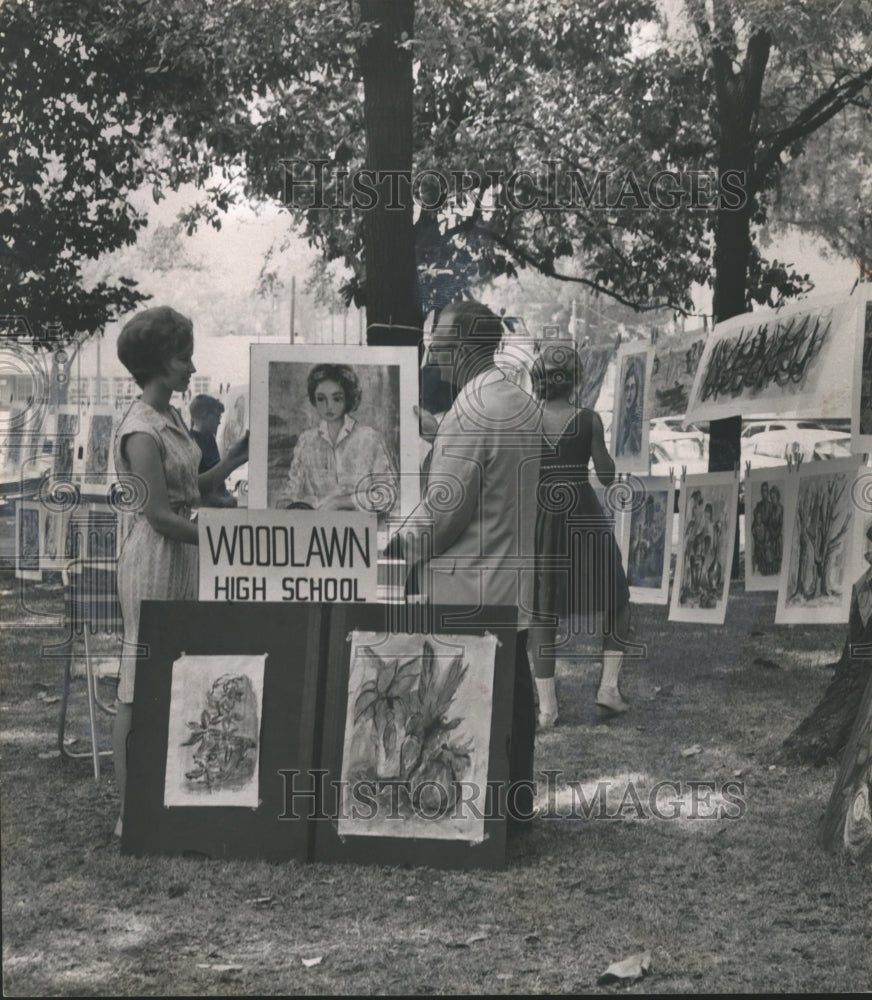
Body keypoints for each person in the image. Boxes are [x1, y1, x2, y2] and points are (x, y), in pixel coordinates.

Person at [389, 300, 542, 824]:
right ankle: (513, 813)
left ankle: (476, 816)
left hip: (466, 590)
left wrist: (388, 547)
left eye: (439, 344)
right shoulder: (517, 401)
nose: (432, 357)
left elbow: (444, 517)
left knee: (468, 712)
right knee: (514, 705)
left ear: (463, 348)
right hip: (508, 583)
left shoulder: (470, 412)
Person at [111, 306, 249, 836]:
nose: (191, 366)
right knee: (136, 680)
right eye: (181, 356)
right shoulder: (140, 430)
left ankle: (170, 794)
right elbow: (160, 516)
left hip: (188, 556)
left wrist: (232, 461)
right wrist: (225, 536)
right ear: (156, 362)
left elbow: (191, 489)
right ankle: (130, 811)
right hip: (155, 558)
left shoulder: (169, 417)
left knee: (176, 673)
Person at [527, 342, 633, 724]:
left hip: (541, 516)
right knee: (616, 596)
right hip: (584, 515)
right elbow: (606, 475)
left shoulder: (525, 418)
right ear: (574, 381)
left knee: (542, 612)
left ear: (538, 380)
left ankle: (547, 709)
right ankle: (607, 688)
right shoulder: (589, 419)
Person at [280, 364, 397, 512]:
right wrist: (286, 504)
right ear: (314, 400)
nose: (329, 406)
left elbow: (387, 495)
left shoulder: (368, 438)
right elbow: (292, 491)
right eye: (321, 399)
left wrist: (343, 502)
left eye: (337, 399)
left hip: (361, 528)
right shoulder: (306, 441)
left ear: (348, 398)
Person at [189, 394, 237, 507]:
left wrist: (226, 496)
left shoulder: (210, 438)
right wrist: (223, 502)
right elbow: (195, 488)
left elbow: (218, 481)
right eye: (217, 416)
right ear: (204, 415)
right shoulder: (190, 443)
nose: (219, 422)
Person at [615, 356, 643, 458]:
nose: (629, 394)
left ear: (637, 390)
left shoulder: (638, 420)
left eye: (632, 388)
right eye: (626, 388)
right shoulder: (620, 421)